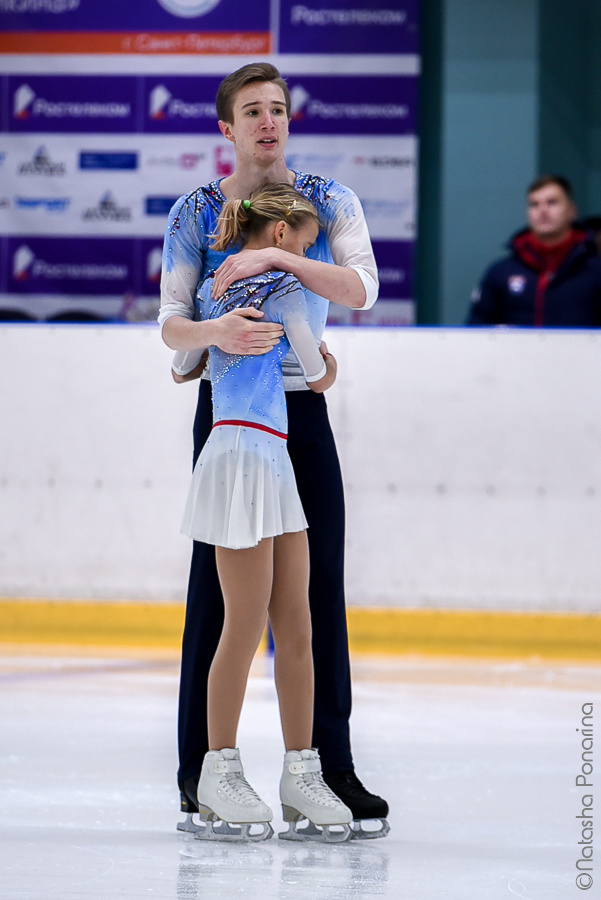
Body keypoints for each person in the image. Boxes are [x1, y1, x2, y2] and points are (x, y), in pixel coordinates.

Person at [160, 62, 389, 840]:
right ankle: (202, 770)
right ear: (226, 128)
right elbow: (173, 328)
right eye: (252, 111)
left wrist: (281, 259)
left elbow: (361, 289)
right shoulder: (196, 214)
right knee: (218, 600)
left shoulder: (327, 203)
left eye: (279, 110)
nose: (268, 121)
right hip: (228, 418)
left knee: (314, 593)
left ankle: (325, 768)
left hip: (302, 420)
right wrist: (211, 334)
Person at [175, 183, 353, 842]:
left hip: (256, 456)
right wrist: (327, 362)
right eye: (305, 244)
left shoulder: (214, 288)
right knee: (257, 625)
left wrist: (214, 327)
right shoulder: (286, 288)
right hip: (249, 458)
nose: (305, 253)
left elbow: (180, 363)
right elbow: (315, 371)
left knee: (286, 623)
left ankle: (299, 773)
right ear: (281, 237)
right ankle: (220, 768)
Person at [467, 175, 601, 327]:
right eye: (534, 205)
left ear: (571, 211)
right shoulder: (501, 272)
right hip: (516, 351)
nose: (542, 211)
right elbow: (476, 331)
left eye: (552, 203)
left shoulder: (595, 270)